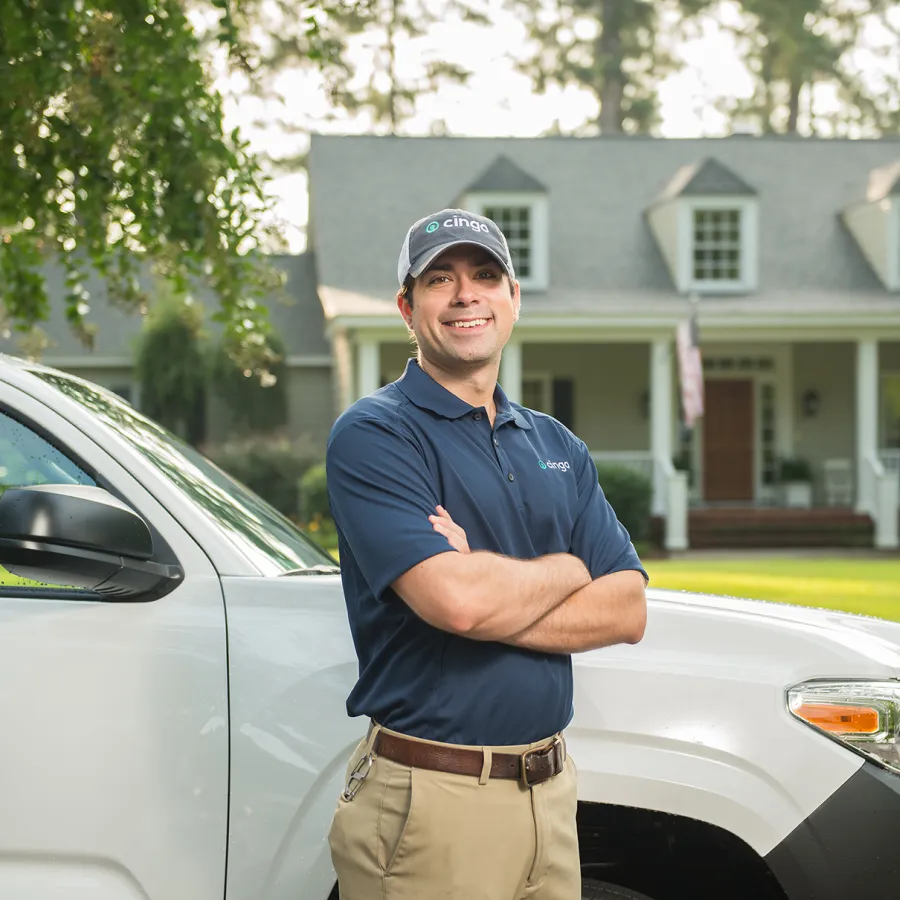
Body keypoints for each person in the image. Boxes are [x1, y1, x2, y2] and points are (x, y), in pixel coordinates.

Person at [326, 207, 648, 900]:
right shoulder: (376, 435)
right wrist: (567, 569)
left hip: (551, 795)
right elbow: (457, 602)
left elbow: (627, 608)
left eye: (485, 275)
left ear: (512, 299)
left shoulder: (558, 446)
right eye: (439, 279)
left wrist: (484, 577)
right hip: (433, 805)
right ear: (407, 309)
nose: (465, 293)